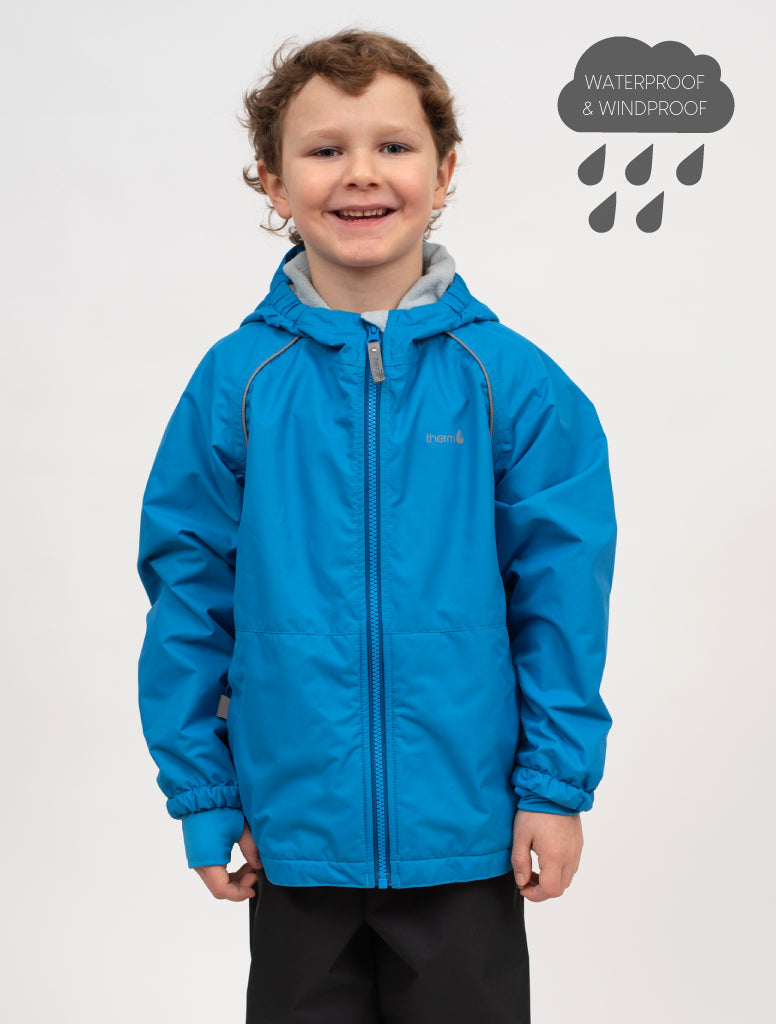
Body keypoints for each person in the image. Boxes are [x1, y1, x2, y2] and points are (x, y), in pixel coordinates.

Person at [137, 28, 616, 1023]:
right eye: (325, 150)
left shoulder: (511, 383)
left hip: (466, 834)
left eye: (393, 146)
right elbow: (189, 592)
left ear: (444, 173)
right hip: (294, 835)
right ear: (274, 183)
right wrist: (204, 794)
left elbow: (561, 599)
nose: (360, 172)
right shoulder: (237, 383)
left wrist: (553, 786)